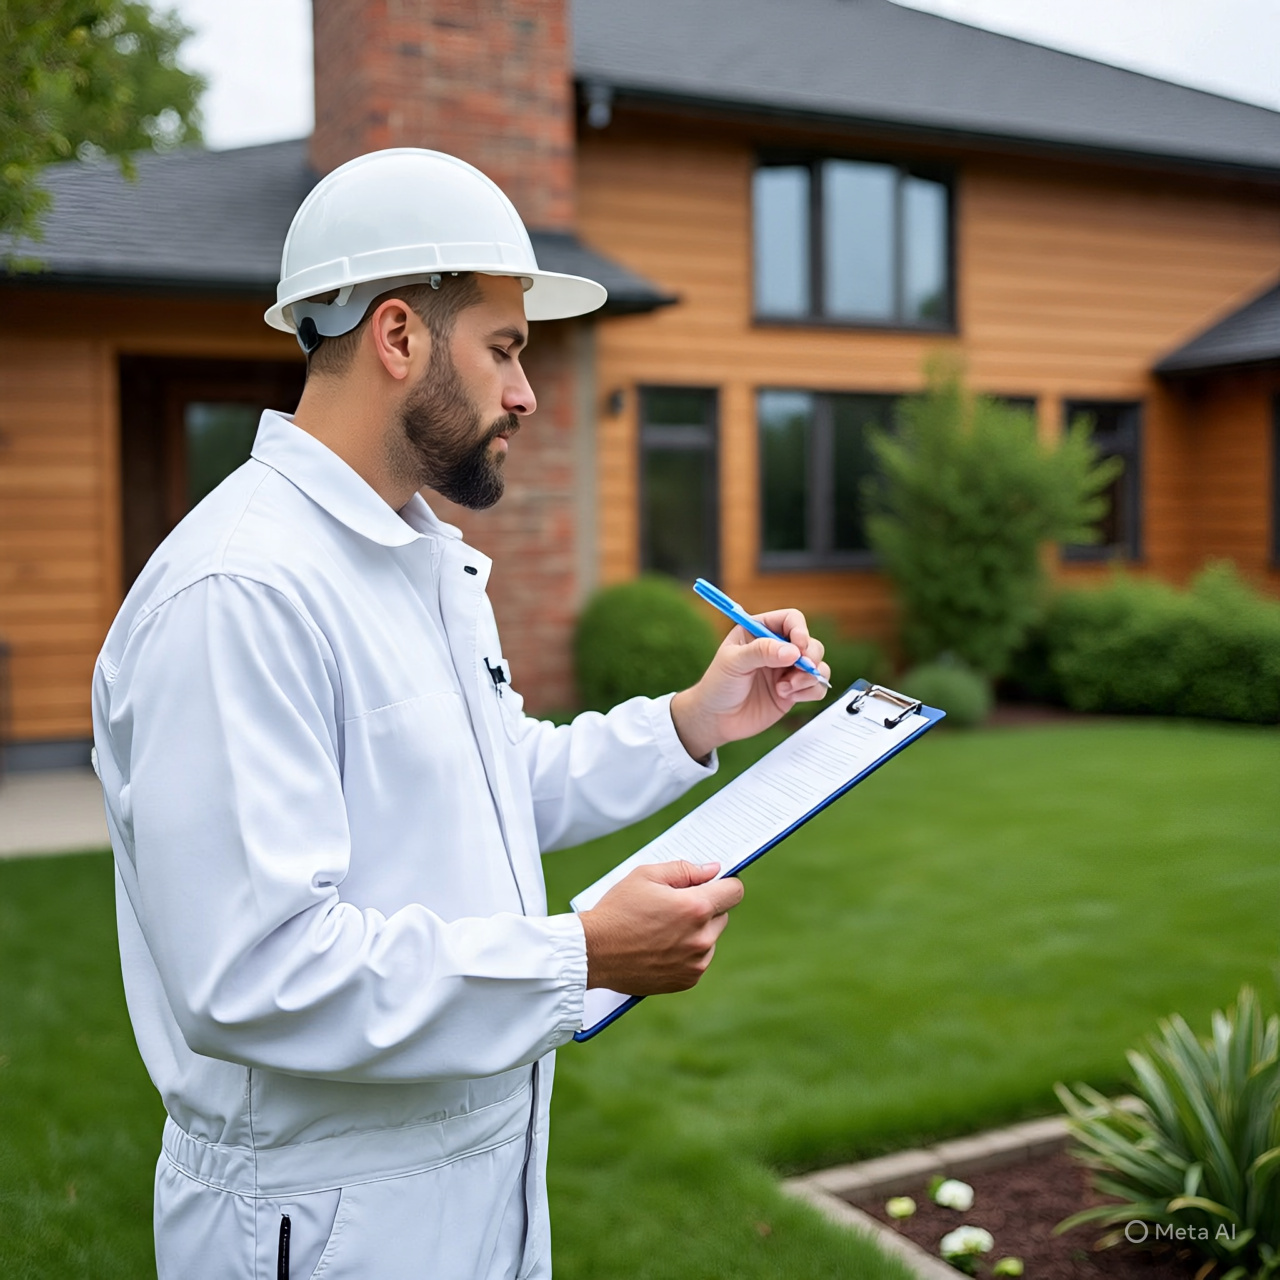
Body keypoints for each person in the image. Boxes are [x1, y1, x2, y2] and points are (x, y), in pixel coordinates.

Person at [91, 148, 829, 1280]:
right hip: (321, 1222)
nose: (526, 394)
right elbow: (257, 973)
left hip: (467, 1185)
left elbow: (490, 783)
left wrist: (693, 717)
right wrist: (578, 954)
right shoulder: (239, 592)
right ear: (397, 337)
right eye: (504, 348)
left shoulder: (413, 557)